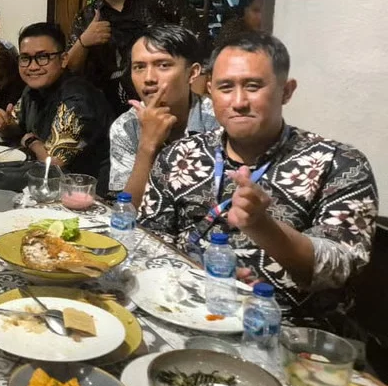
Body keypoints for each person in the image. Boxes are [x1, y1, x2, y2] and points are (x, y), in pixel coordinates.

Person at [139, 31, 379, 332]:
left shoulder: (338, 163)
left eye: (253, 86)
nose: (239, 102)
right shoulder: (181, 155)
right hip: (182, 310)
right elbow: (148, 237)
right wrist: (198, 275)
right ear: (210, 90)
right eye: (226, 87)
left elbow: (341, 268)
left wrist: (264, 227)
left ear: (286, 91)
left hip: (287, 331)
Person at [66, 0, 203, 114]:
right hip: (106, 114)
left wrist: (193, 112)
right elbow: (69, 71)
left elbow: (199, 50)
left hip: (167, 106)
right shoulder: (87, 17)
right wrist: (84, 42)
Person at [0, 23, 112, 184]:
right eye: (25, 58)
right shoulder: (32, 90)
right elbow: (17, 128)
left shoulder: (77, 99)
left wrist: (30, 141)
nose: (33, 66)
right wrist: (4, 125)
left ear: (63, 59)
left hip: (82, 188)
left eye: (42, 57)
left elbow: (53, 163)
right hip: (46, 180)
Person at [109, 25, 218, 207]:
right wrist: (147, 146)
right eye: (139, 67)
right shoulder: (127, 126)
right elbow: (126, 210)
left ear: (192, 73)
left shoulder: (218, 119)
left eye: (163, 65)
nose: (149, 78)